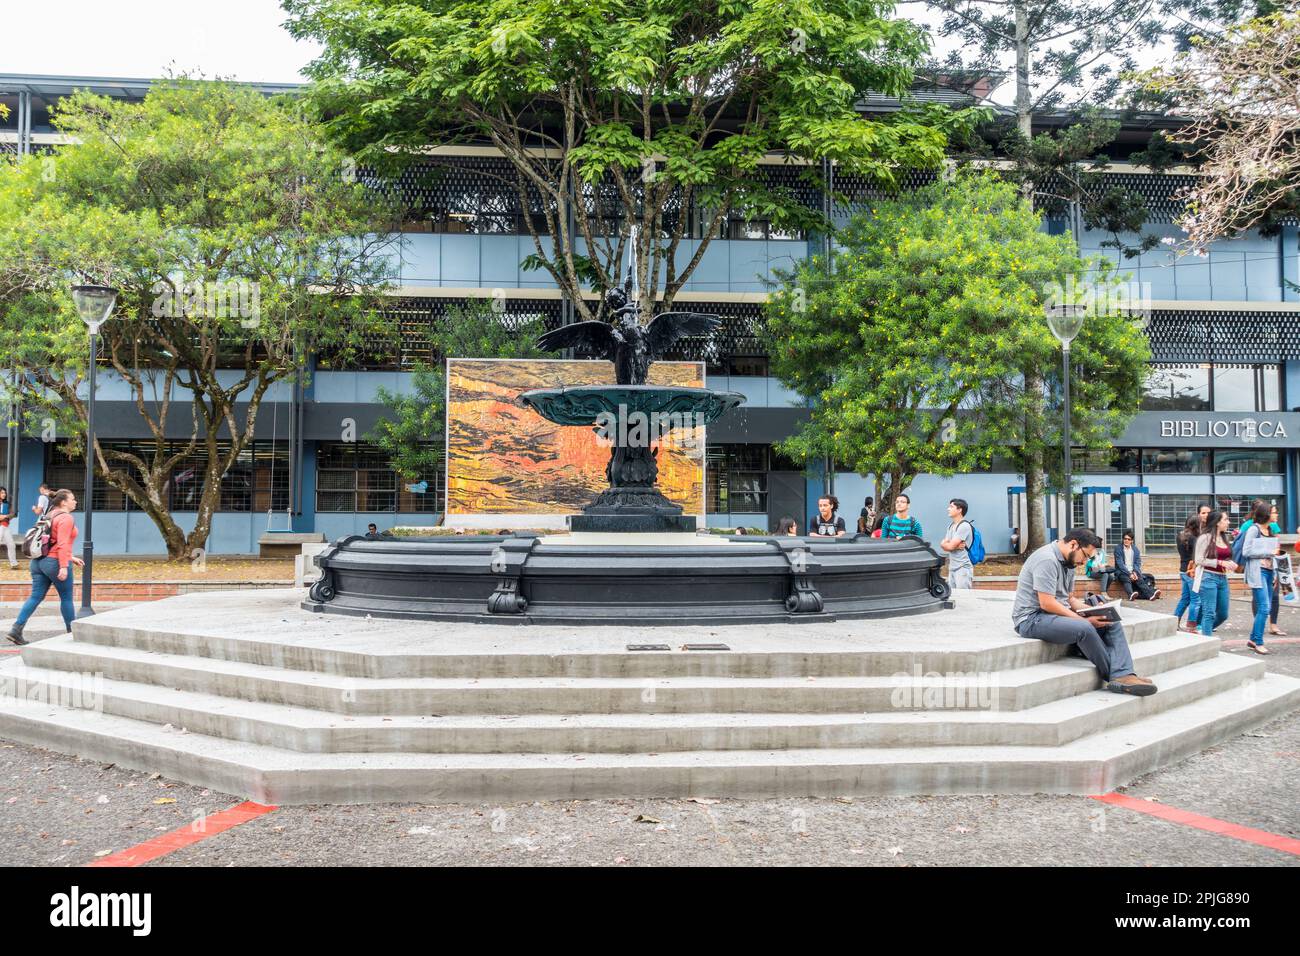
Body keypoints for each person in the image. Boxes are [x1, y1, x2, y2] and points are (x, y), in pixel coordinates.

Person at [1011, 528, 1156, 696]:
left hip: (1053, 615)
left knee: (1110, 621)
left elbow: (1070, 599)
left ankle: (1125, 674)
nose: (1085, 562)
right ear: (1074, 544)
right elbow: (1047, 603)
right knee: (1084, 628)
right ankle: (1118, 676)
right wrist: (1084, 621)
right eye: (1086, 556)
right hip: (1031, 619)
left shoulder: (1070, 563)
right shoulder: (1046, 559)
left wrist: (1097, 612)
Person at [6, 489, 82, 646]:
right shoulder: (66, 518)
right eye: (73, 499)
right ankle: (72, 634)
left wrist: (70, 557)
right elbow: (61, 543)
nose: (76, 501)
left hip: (38, 562)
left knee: (35, 597)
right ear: (63, 502)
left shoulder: (48, 515)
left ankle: (16, 630)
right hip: (54, 562)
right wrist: (63, 566)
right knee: (66, 597)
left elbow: (49, 541)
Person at [1238, 501, 1283, 654]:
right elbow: (1246, 552)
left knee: (1266, 607)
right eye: (1274, 512)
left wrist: (1276, 573)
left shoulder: (1270, 530)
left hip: (1270, 572)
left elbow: (1274, 555)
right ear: (1266, 514)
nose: (1276, 514)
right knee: (1264, 607)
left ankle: (1252, 639)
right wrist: (1268, 553)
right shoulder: (1253, 529)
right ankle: (1258, 642)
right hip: (1258, 572)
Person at [1193, 510, 1238, 638]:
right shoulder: (1205, 538)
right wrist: (1220, 563)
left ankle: (1203, 633)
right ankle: (1206, 642)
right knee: (1209, 613)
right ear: (1217, 522)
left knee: (1223, 614)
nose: (1228, 522)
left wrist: (1230, 563)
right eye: (1225, 519)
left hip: (1222, 578)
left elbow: (1225, 557)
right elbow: (1198, 560)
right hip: (1208, 577)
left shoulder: (1224, 537)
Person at [1173, 514, 1203, 634]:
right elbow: (1197, 556)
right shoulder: (1194, 539)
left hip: (1182, 570)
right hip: (1191, 572)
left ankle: (1174, 621)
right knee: (1196, 600)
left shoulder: (1180, 536)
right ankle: (1191, 625)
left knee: (1185, 598)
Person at [1114, 529, 1160, 601]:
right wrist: (1129, 574)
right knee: (1126, 578)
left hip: (1133, 571)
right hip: (1121, 572)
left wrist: (1135, 572)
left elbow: (1137, 563)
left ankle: (1151, 596)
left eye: (1128, 539)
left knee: (1140, 579)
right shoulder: (1118, 549)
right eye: (1125, 539)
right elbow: (1120, 564)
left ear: (1132, 541)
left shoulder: (1135, 550)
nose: (1126, 540)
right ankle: (1130, 595)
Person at [940, 498, 974, 589]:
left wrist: (949, 545)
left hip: (962, 568)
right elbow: (943, 545)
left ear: (959, 510)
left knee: (964, 598)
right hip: (952, 568)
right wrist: (950, 545)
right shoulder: (950, 526)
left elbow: (949, 546)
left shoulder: (964, 526)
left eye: (951, 507)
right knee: (953, 598)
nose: (948, 509)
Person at [0, 486, 18, 569]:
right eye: (2, 492)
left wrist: (5, 516)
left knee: (11, 545)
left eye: (4, 492)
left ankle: (14, 564)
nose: (4, 494)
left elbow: (13, 514)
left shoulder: (7, 503)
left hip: (5, 526)